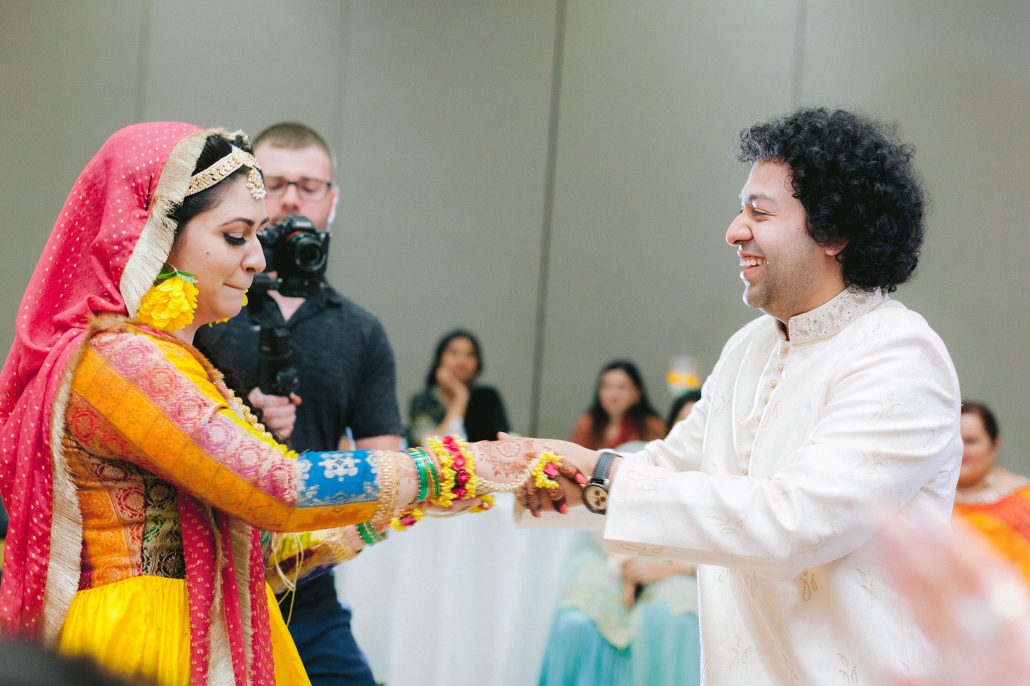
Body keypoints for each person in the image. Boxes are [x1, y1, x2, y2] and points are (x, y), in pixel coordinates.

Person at [0, 122, 564, 685]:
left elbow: (268, 543)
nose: (256, 259)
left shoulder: (169, 357)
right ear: (155, 233)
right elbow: (276, 488)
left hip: (195, 628)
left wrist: (459, 485)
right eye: (236, 236)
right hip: (144, 646)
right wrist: (474, 463)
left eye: (259, 235)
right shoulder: (122, 361)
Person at [518, 108, 962, 684]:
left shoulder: (899, 355)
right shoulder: (749, 346)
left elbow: (798, 521)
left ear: (835, 232)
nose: (734, 230)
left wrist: (605, 477)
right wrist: (563, 477)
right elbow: (670, 465)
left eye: (759, 211)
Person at [195, 122, 402, 686]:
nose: (291, 197)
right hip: (200, 588)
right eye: (274, 182)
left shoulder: (361, 331)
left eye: (310, 186)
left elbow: (386, 466)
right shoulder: (200, 306)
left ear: (333, 201)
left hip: (308, 596)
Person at [538, 390, 703, 686]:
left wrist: (666, 569)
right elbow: (607, 519)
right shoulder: (646, 457)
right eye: (683, 422)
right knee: (577, 617)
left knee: (669, 618)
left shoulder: (723, 477)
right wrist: (626, 566)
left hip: (688, 571)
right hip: (622, 557)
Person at [952, 400, 1030, 583]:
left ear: (994, 445)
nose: (960, 449)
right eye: (953, 440)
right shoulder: (921, 503)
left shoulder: (1024, 501)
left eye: (970, 441)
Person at [407, 329, 510, 446]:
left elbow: (502, 442)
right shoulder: (422, 400)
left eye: (469, 354)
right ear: (440, 358)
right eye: (454, 353)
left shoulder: (487, 397)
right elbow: (434, 446)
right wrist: (460, 395)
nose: (461, 361)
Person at [568, 361, 665, 450]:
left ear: (637, 393)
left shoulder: (651, 426)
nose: (613, 396)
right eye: (606, 386)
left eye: (621, 387)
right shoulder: (588, 424)